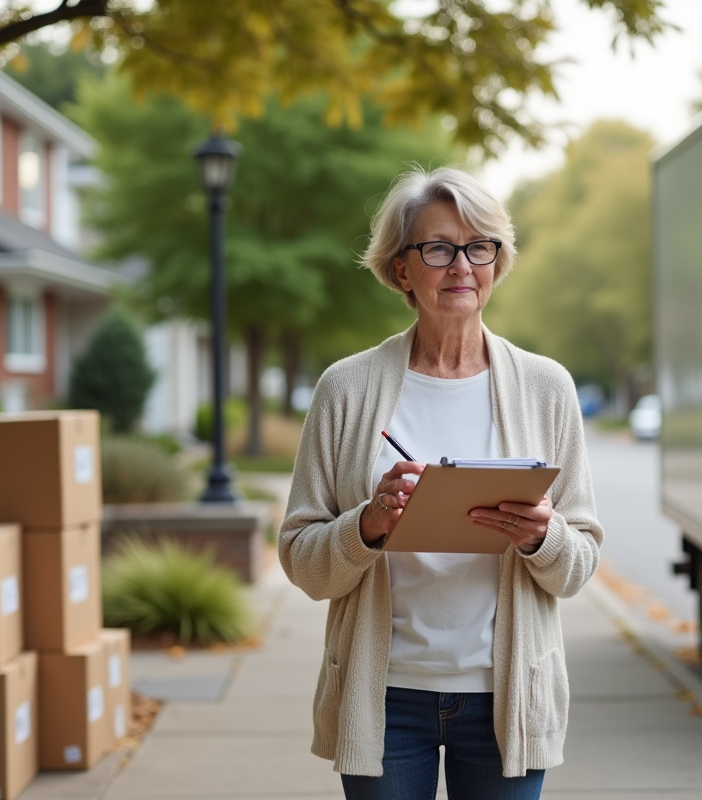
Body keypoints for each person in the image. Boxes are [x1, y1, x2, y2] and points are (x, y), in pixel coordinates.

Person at [278, 165, 603, 800]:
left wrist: (544, 538)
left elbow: (580, 562)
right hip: (385, 698)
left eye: (480, 246)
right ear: (401, 269)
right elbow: (300, 559)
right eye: (437, 247)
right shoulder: (345, 390)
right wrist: (366, 526)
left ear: (497, 262)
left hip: (505, 698)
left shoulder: (546, 387)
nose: (461, 265)